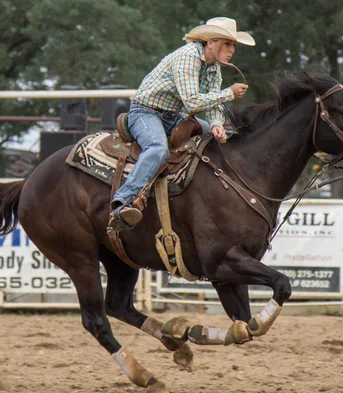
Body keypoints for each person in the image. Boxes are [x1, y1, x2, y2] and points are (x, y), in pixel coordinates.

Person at [108, 17, 255, 233]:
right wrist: (229, 93)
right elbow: (192, 101)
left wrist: (216, 124)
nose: (231, 50)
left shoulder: (215, 68)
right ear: (211, 42)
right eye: (227, 44)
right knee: (158, 150)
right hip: (145, 113)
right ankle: (123, 201)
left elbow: (214, 100)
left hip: (174, 117)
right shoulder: (188, 57)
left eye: (233, 45)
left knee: (231, 137)